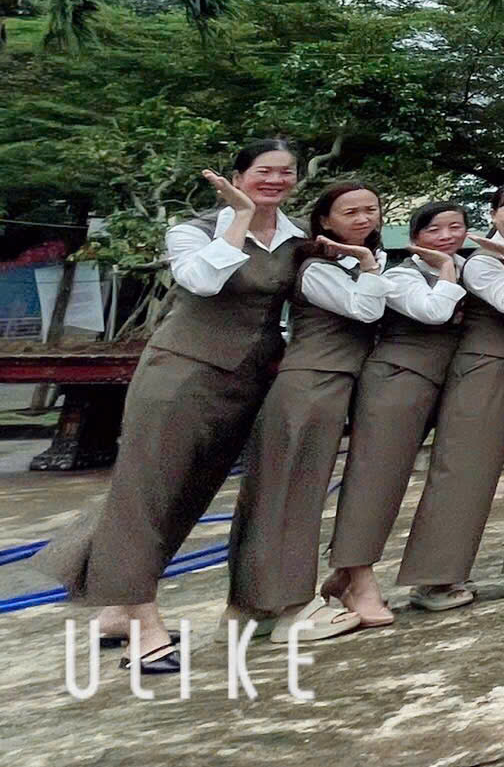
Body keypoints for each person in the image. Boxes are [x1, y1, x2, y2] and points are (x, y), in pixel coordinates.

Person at [44, 141, 306, 671]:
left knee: (188, 493)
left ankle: (115, 611)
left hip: (245, 380)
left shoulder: (297, 237)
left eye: (286, 172)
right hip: (179, 373)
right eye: (264, 171)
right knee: (144, 492)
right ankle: (144, 630)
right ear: (238, 176)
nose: (275, 180)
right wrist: (239, 218)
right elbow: (201, 281)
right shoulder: (193, 230)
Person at [229, 180, 388, 641]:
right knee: (290, 495)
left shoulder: (346, 263)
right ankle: (293, 608)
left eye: (371, 210)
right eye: (350, 212)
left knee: (287, 493)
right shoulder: (317, 268)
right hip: (310, 386)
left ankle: (249, 610)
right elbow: (365, 309)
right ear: (324, 221)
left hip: (331, 385)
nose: (364, 219)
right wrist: (368, 264)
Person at [397, 181, 504, 610]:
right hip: (486, 367)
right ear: (493, 215)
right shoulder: (482, 261)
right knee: (463, 471)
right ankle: (434, 579)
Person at [325, 198, 469, 624]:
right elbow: (434, 311)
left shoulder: (472, 266)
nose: (446, 237)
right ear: (414, 238)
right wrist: (446, 269)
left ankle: (347, 575)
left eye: (455, 227)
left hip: (445, 381)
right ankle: (359, 581)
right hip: (397, 380)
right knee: (375, 481)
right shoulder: (401, 274)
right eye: (434, 230)